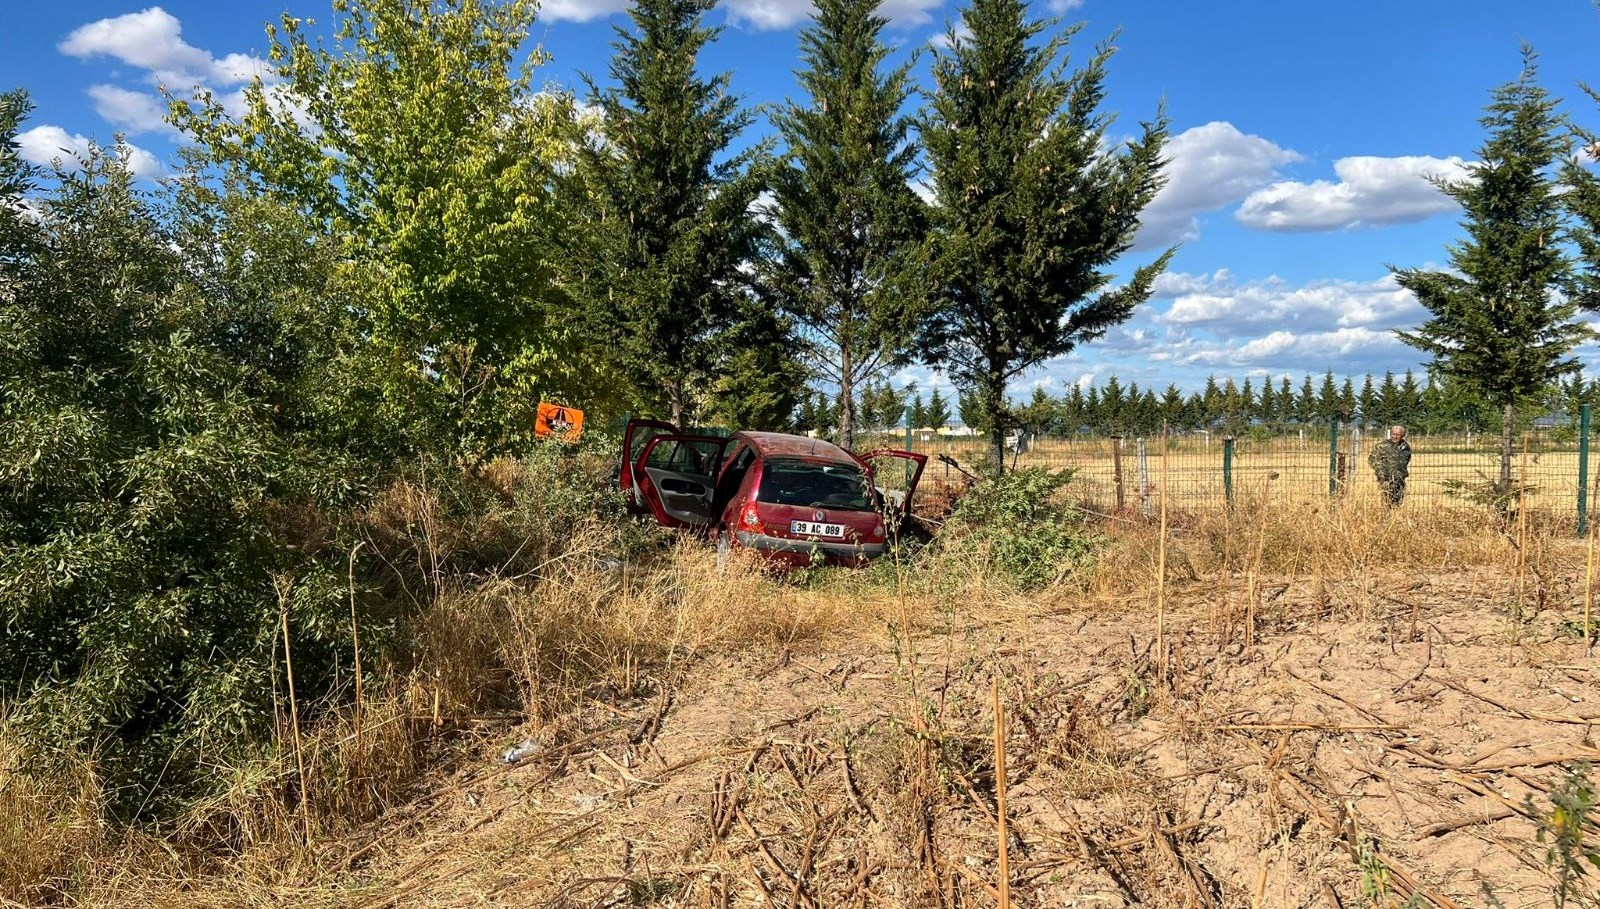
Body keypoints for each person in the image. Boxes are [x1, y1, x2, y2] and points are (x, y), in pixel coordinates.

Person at [1368, 424, 1412, 506]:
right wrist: (1381, 472)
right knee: (1387, 501)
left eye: (1398, 435)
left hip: (1400, 479)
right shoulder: (1382, 446)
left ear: (1402, 435)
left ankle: (1395, 513)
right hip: (1386, 479)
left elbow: (1406, 459)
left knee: (1398, 501)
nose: (1395, 437)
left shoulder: (1405, 446)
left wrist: (1401, 472)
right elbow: (1372, 460)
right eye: (1393, 434)